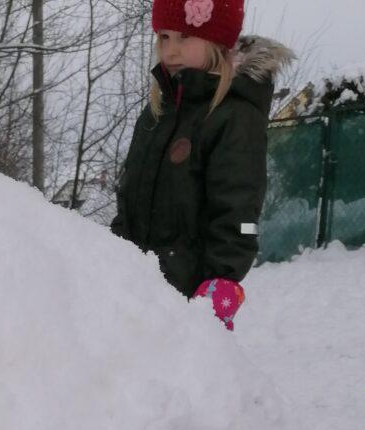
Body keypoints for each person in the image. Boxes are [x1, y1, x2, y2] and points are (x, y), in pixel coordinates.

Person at [110, 1, 294, 329]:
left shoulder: (233, 116)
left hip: (189, 299)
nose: (171, 50)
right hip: (131, 292)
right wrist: (110, 255)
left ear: (215, 41)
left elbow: (240, 211)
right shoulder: (156, 114)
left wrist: (220, 280)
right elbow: (128, 199)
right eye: (164, 37)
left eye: (184, 37)